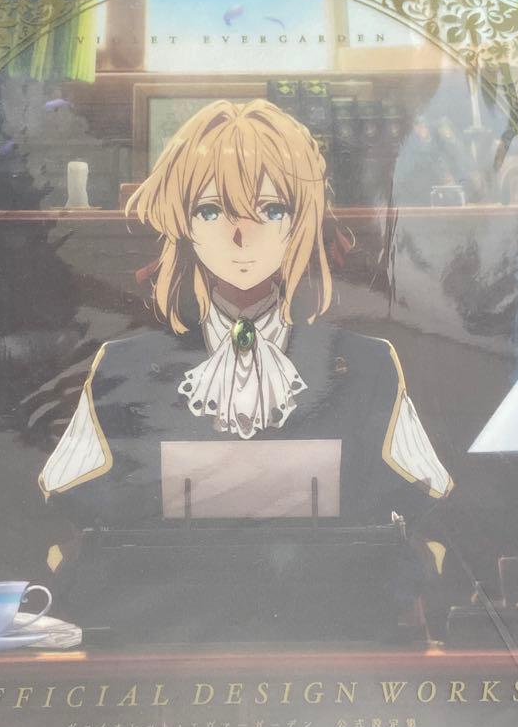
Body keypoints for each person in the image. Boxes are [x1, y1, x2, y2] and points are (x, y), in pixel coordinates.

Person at [36, 99, 452, 642]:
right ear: (183, 223)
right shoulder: (123, 365)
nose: (241, 234)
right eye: (212, 211)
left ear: (299, 223)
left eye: (270, 210)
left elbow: (421, 503)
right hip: (163, 635)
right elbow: (72, 507)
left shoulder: (369, 365)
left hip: (335, 632)